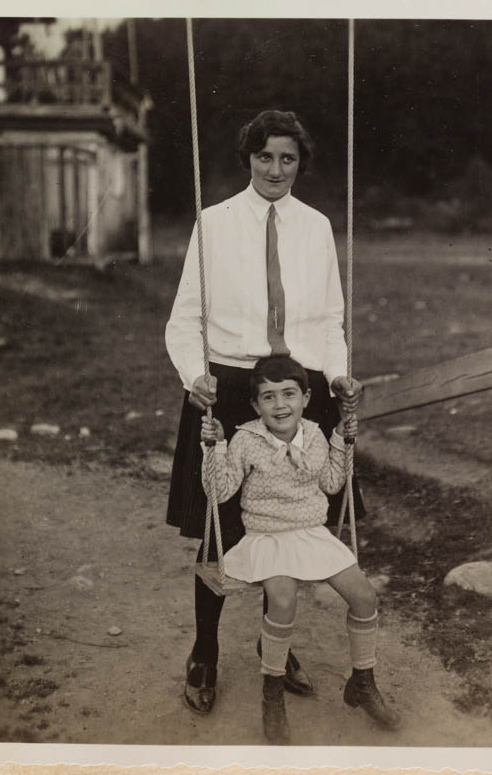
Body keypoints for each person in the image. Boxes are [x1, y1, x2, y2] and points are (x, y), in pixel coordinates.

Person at [165, 109, 363, 715]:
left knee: (297, 521)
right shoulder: (215, 222)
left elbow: (329, 320)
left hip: (302, 387)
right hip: (228, 383)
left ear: (300, 164)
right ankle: (205, 651)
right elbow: (185, 320)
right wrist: (194, 377)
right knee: (220, 528)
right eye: (265, 157)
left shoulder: (317, 226)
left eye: (288, 159)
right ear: (247, 158)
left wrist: (337, 375)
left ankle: (271, 639)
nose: (276, 170)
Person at [200, 355, 399, 744]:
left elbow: (330, 482)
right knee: (283, 599)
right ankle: (272, 695)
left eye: (288, 394)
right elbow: (221, 491)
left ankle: (363, 680)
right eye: (269, 397)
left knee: (364, 596)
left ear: (306, 398)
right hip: (268, 538)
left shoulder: (314, 434)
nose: (280, 405)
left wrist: (342, 439)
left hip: (310, 534)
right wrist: (215, 448)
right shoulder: (246, 440)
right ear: (256, 406)